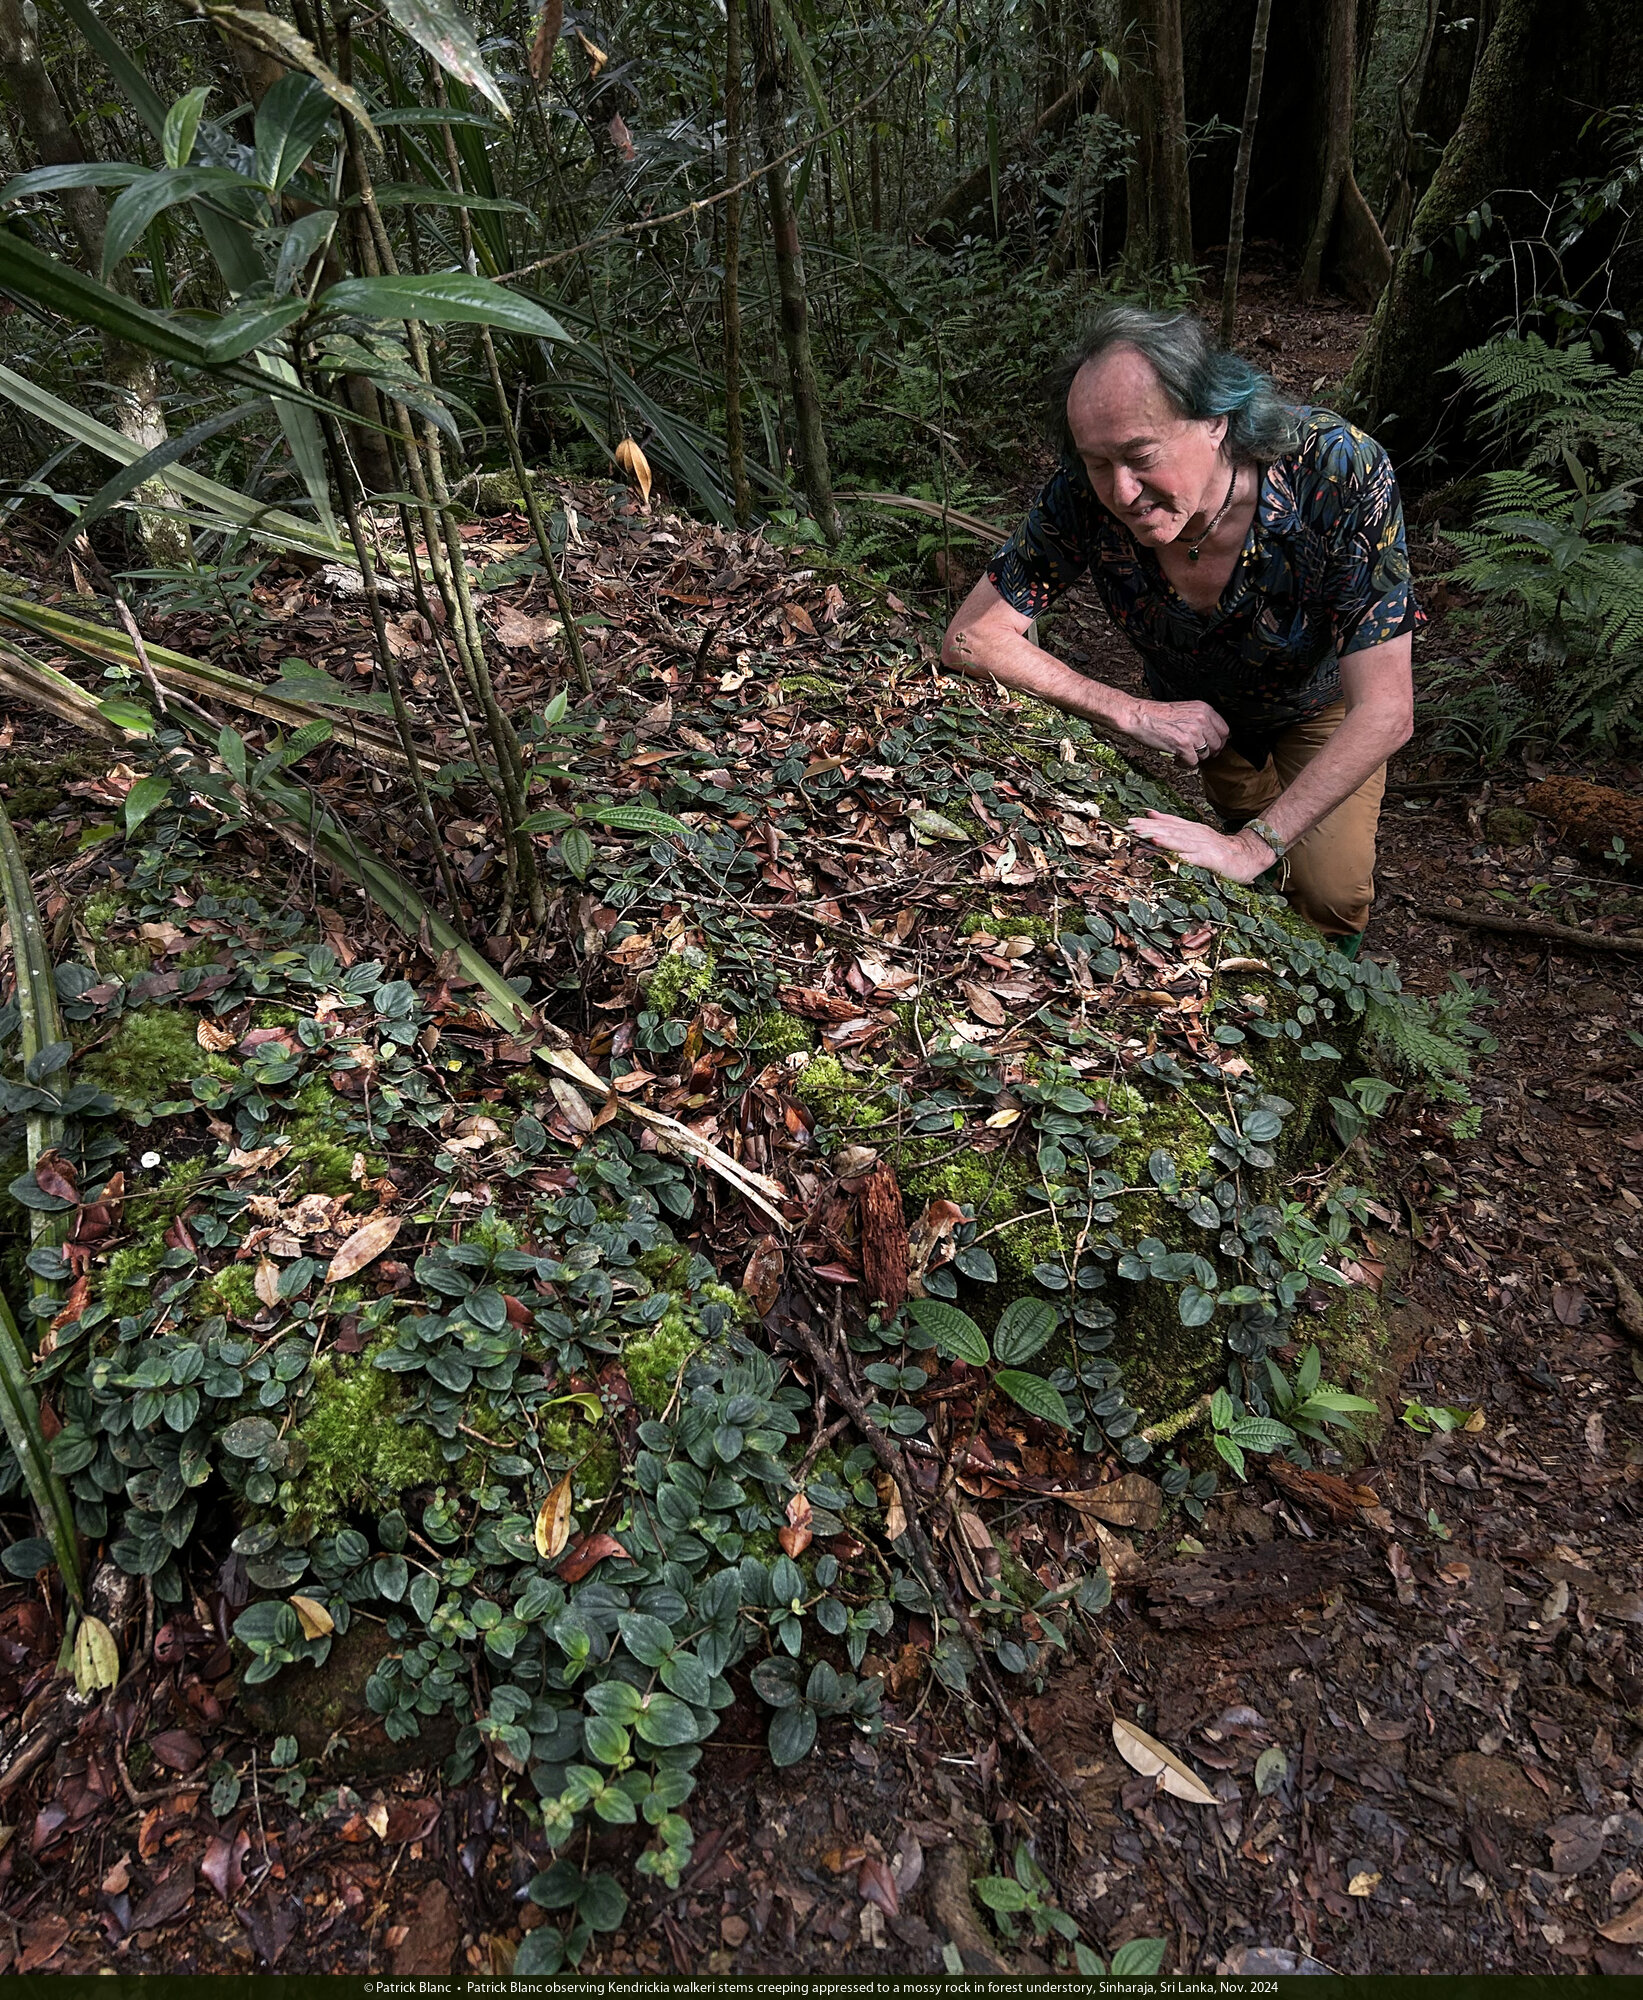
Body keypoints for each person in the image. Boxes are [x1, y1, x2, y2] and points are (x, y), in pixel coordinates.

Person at [941, 301, 1417, 950]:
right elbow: (970, 636)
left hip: (1319, 706)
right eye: (1097, 462)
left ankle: (1335, 995)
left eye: (1140, 454)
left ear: (1215, 420)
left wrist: (1253, 846)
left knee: (1329, 889)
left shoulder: (1335, 469)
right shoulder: (1082, 492)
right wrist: (1130, 712)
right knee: (1247, 845)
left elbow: (1386, 708)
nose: (1121, 491)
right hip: (1200, 716)